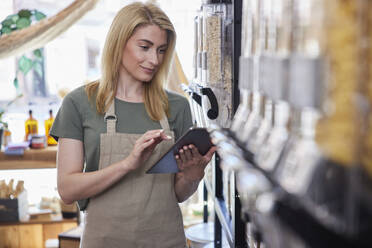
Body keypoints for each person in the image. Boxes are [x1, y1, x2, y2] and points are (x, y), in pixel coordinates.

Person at [50, 2, 216, 248]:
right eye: (145, 47)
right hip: (103, 241)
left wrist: (192, 177)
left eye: (161, 50)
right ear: (119, 43)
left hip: (165, 240)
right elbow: (67, 190)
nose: (155, 59)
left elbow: (177, 194)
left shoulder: (177, 106)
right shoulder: (79, 103)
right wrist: (128, 164)